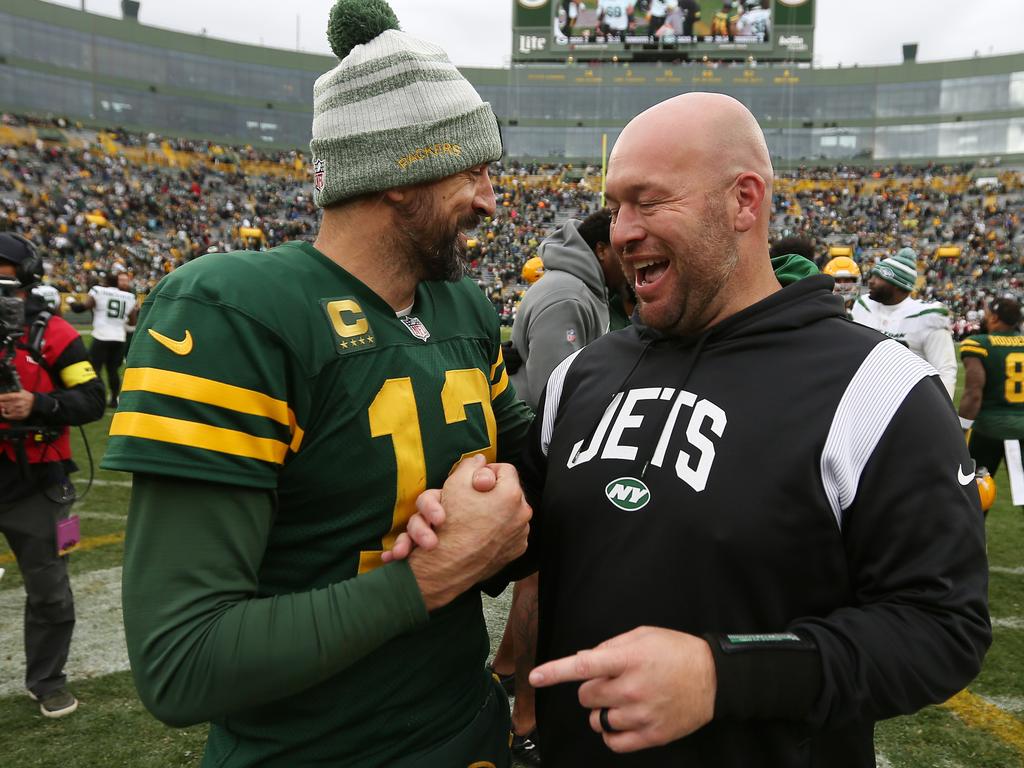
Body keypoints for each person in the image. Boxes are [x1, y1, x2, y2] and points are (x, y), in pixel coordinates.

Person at [394, 93, 990, 767]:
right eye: (616, 206)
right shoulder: (586, 373)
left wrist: (722, 674)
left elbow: (943, 629)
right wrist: (477, 509)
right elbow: (531, 530)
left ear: (743, 201)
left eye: (647, 202)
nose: (620, 232)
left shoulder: (879, 387)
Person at [101, 1, 533, 766]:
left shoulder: (462, 305)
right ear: (401, 174)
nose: (490, 198)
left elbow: (528, 479)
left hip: (469, 730)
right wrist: (431, 576)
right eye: (474, 169)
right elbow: (183, 661)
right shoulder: (239, 312)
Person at [0, 232, 105, 718]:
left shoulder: (55, 334)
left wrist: (37, 405)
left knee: (50, 589)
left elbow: (91, 401)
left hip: (40, 482)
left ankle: (47, 679)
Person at [508, 209, 627, 410]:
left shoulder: (585, 290)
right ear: (601, 250)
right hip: (542, 436)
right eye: (622, 250)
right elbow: (555, 400)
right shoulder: (567, 298)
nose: (629, 259)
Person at [851, 248, 958, 399]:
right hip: (862, 397)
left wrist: (943, 416)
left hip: (905, 403)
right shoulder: (863, 306)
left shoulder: (927, 317)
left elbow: (945, 370)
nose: (871, 281)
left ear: (896, 284)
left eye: (879, 277)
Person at [959, 296, 1024, 484]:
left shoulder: (980, 343)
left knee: (975, 492)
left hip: (989, 428)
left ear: (994, 318)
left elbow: (973, 393)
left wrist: (961, 428)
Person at [70, 271, 138, 408]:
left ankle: (98, 398)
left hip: (101, 336)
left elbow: (80, 308)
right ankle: (113, 399)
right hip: (119, 338)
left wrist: (71, 301)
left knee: (95, 369)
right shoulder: (129, 296)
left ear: (105, 282)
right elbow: (132, 323)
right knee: (113, 370)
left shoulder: (99, 291)